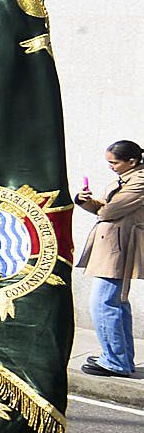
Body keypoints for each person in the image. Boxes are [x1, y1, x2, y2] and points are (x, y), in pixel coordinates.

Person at [74, 139, 144, 378]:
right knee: (116, 303)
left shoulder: (140, 181)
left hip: (120, 248)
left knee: (104, 303)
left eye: (114, 162)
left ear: (131, 161)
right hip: (111, 246)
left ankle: (115, 361)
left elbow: (110, 210)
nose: (110, 167)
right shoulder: (124, 179)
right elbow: (102, 206)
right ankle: (120, 358)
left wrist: (100, 207)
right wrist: (84, 200)